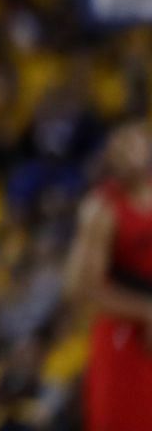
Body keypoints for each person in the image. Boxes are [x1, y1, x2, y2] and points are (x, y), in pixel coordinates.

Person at [66, 122, 152, 430]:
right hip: (124, 327)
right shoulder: (102, 209)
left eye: (133, 145)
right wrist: (144, 311)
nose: (126, 155)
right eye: (119, 148)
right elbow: (86, 287)